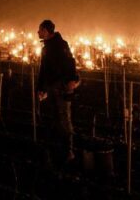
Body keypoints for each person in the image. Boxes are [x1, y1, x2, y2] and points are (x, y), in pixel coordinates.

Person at [36, 19, 80, 169]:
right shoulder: (46, 48)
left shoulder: (61, 45)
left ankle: (69, 151)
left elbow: (70, 63)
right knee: (53, 117)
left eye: (40, 30)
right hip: (50, 88)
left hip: (61, 88)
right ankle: (57, 149)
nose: (38, 32)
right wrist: (40, 87)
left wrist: (71, 81)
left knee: (64, 118)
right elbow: (43, 69)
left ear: (47, 31)